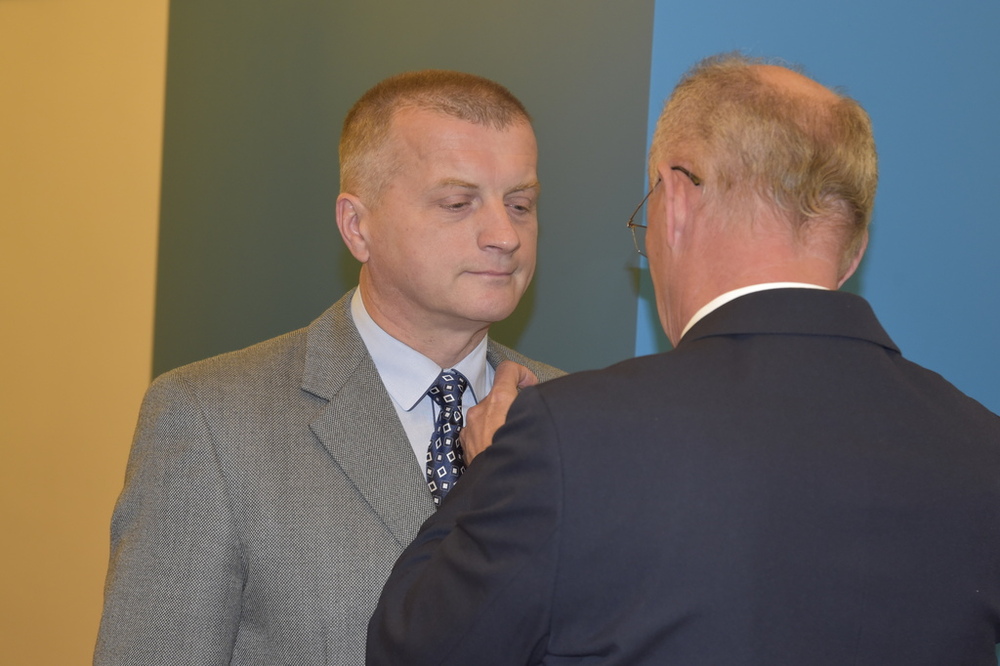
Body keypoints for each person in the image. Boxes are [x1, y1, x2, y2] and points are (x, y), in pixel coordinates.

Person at [367, 54, 1000, 665]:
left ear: (674, 202)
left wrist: (486, 472)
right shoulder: (982, 446)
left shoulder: (568, 438)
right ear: (854, 249)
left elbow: (413, 650)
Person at [93, 70, 563, 666]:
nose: (504, 235)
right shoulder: (213, 423)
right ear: (357, 227)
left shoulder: (573, 413)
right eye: (457, 203)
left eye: (520, 204)